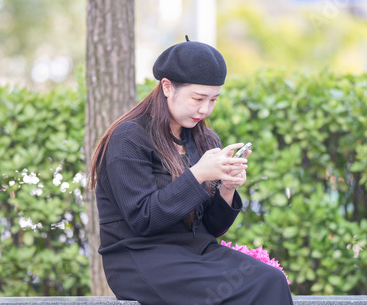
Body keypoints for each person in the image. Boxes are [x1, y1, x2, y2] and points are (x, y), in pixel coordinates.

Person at [89, 36, 293, 305]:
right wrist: (198, 174)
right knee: (250, 288)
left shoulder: (205, 140)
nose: (204, 109)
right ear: (167, 87)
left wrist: (227, 189)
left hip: (197, 251)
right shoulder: (129, 137)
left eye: (213, 100)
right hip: (142, 256)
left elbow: (210, 228)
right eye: (197, 98)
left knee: (272, 279)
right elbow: (142, 219)